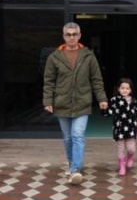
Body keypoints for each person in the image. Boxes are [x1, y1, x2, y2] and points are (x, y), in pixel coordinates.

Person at [43, 22, 108, 185]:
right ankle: (72, 163)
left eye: (74, 34)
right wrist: (48, 100)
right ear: (64, 36)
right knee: (67, 138)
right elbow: (49, 81)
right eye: (68, 34)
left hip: (82, 102)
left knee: (77, 135)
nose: (71, 37)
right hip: (62, 102)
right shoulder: (54, 57)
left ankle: (75, 169)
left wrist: (102, 98)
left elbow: (96, 79)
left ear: (79, 36)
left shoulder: (88, 56)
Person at [104, 78, 137, 176]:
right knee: (120, 148)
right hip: (119, 129)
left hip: (131, 129)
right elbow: (110, 112)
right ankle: (122, 165)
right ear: (118, 89)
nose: (125, 90)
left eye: (127, 88)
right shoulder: (114, 100)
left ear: (131, 90)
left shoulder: (134, 101)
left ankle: (130, 156)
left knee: (131, 148)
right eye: (122, 88)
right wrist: (104, 109)